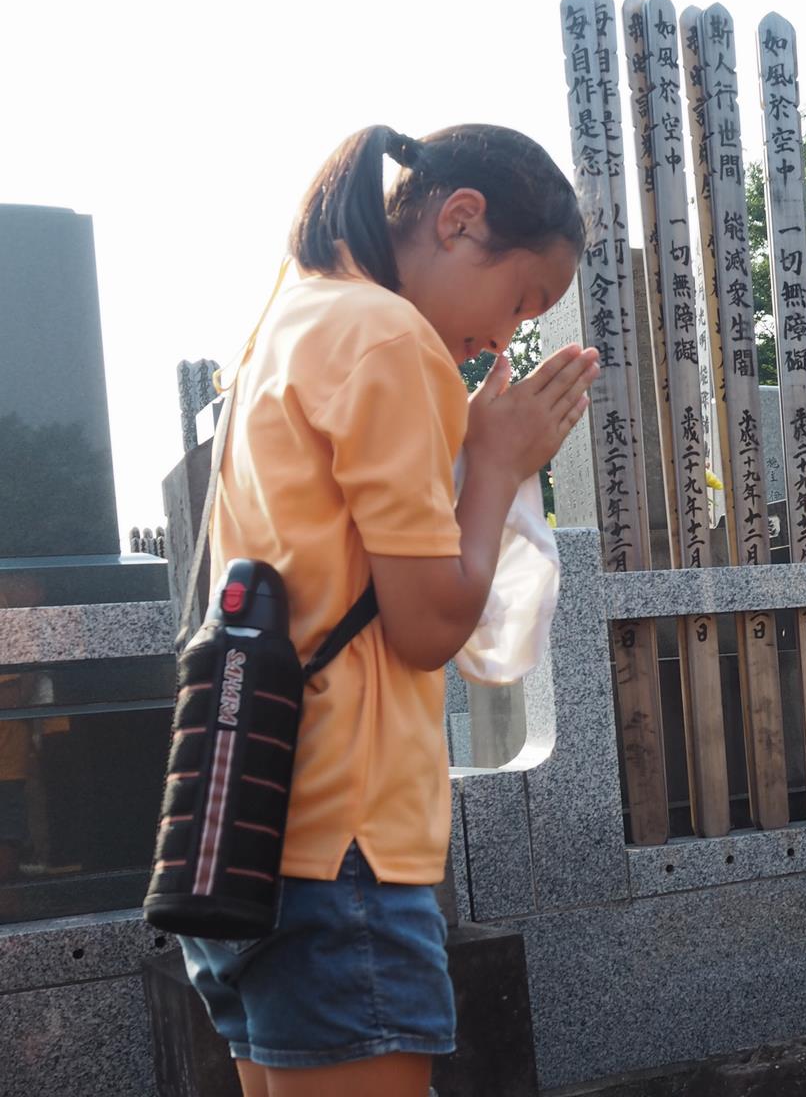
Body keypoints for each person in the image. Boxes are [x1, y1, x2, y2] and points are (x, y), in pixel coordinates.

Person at [175, 123, 598, 1097]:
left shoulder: (290, 319)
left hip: (252, 837)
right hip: (347, 854)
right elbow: (428, 625)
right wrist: (495, 464)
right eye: (521, 299)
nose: (505, 339)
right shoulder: (386, 335)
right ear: (460, 219)